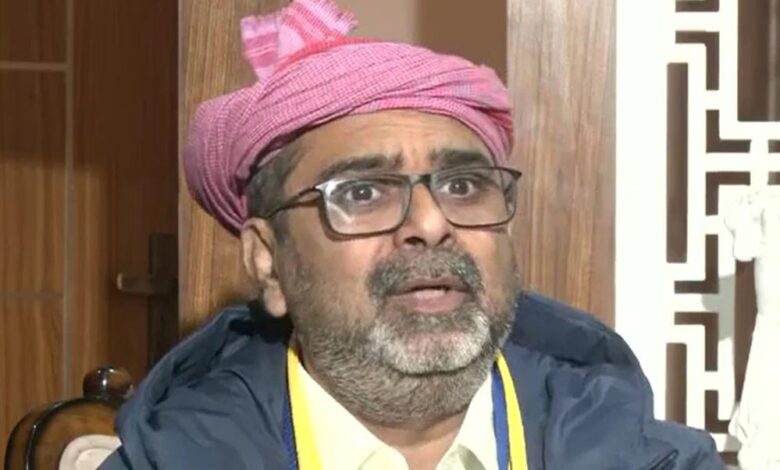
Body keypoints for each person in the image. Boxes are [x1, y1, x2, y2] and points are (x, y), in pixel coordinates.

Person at [101, 1, 723, 469]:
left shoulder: (643, 456)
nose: (430, 224)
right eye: (362, 193)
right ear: (268, 261)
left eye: (463, 185)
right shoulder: (175, 459)